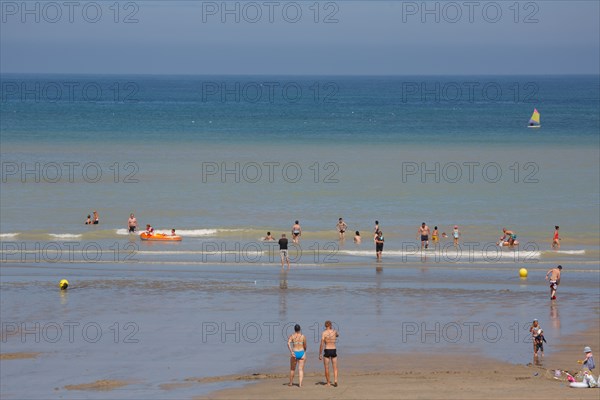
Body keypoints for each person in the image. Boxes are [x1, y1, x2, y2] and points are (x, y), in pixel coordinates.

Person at [319, 320, 339, 387]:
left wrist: (320, 353)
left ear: (325, 326)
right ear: (330, 325)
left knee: (326, 368)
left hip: (327, 350)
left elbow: (321, 344)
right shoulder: (334, 331)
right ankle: (335, 380)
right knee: (335, 367)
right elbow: (337, 335)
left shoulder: (324, 333)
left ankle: (328, 383)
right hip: (333, 350)